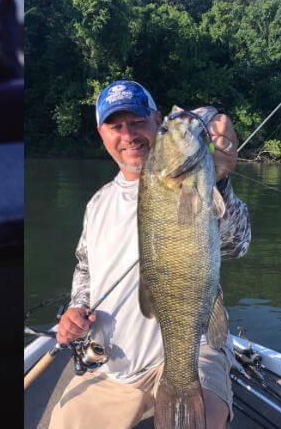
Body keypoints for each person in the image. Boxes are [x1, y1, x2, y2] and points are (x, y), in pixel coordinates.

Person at [48, 80, 251, 428]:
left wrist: (220, 180)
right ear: (102, 134)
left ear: (157, 121)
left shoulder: (197, 183)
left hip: (192, 346)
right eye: (116, 126)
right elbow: (85, 267)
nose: (128, 135)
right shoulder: (97, 204)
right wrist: (76, 307)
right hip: (117, 363)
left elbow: (236, 243)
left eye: (138, 122)